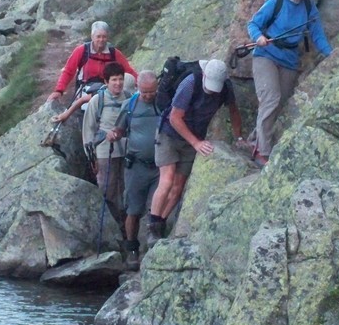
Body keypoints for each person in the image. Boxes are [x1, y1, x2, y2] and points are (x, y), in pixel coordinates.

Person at [147, 59, 242, 244]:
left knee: (178, 186)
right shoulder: (190, 83)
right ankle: (152, 226)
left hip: (193, 137)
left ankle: (161, 223)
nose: (211, 91)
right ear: (204, 75)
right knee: (167, 180)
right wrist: (196, 143)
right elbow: (175, 118)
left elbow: (234, 111)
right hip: (169, 134)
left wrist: (239, 137)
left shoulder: (225, 88)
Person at [247, 0, 333, 166]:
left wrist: (331, 54)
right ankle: (263, 152)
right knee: (271, 98)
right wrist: (258, 37)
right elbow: (253, 24)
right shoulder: (275, 2)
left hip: (289, 60)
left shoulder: (309, 8)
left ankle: (254, 139)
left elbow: (318, 35)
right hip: (265, 55)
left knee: (280, 104)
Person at [109, 70, 162, 270]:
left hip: (160, 166)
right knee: (133, 209)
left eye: (152, 91)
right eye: (145, 92)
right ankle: (132, 250)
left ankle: (155, 247)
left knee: (157, 208)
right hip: (136, 166)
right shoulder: (129, 106)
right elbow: (120, 130)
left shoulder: (163, 103)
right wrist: (114, 135)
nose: (148, 95)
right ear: (138, 88)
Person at [82, 62, 129, 237]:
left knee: (125, 188)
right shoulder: (97, 100)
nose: (118, 83)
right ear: (106, 81)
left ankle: (125, 225)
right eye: (114, 80)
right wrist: (91, 157)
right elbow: (89, 130)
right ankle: (111, 226)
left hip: (126, 150)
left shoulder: (130, 98)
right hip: (104, 152)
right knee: (107, 188)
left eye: (120, 79)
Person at [47, 21, 137, 102]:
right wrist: (59, 90)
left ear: (107, 37)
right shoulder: (82, 51)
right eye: (98, 36)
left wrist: (142, 84)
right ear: (92, 37)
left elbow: (129, 72)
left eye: (104, 37)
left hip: (108, 92)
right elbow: (68, 71)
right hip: (84, 91)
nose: (101, 40)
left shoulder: (114, 53)